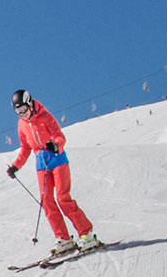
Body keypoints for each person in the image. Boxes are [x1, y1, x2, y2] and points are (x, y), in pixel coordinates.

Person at [6, 89, 101, 256]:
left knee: (63, 198)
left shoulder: (45, 117)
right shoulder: (21, 125)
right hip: (41, 163)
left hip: (57, 160)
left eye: (23, 110)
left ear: (30, 104)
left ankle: (86, 234)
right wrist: (16, 166)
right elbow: (26, 148)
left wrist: (55, 145)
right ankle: (63, 238)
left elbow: (59, 136)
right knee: (47, 200)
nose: (22, 114)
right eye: (17, 111)